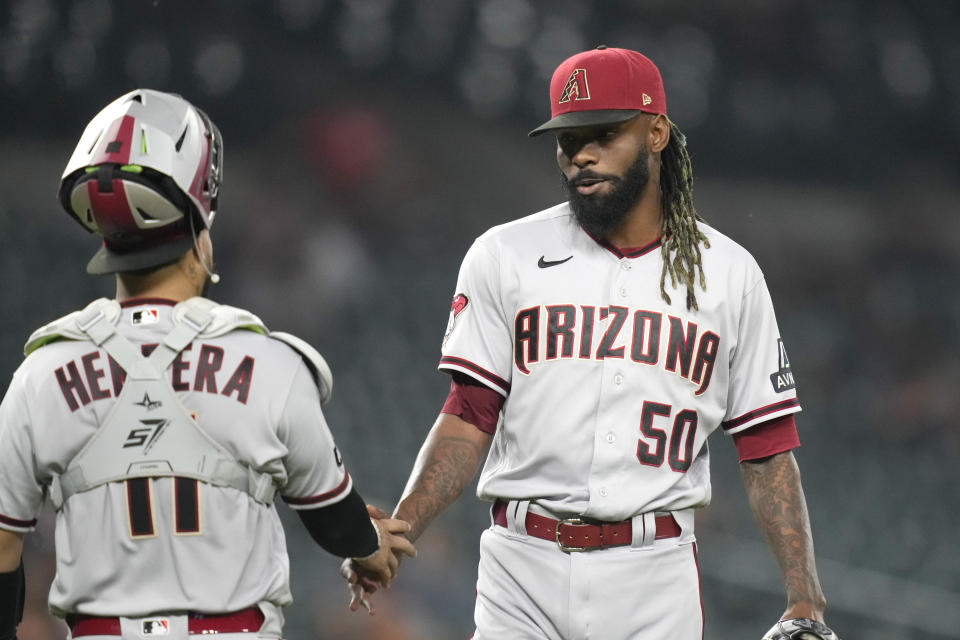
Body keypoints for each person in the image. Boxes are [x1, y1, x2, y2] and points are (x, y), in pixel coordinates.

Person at [342, 46, 841, 640]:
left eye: (605, 134)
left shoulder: (729, 274)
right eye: (568, 138)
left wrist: (805, 599)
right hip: (520, 566)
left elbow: (767, 446)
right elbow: (468, 415)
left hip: (653, 576)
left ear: (656, 132)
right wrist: (400, 530)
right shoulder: (505, 254)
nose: (581, 153)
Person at [0, 89, 414, 640]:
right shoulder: (269, 362)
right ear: (201, 235)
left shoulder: (42, 373)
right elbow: (334, 516)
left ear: (104, 238)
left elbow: (4, 547)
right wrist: (371, 550)